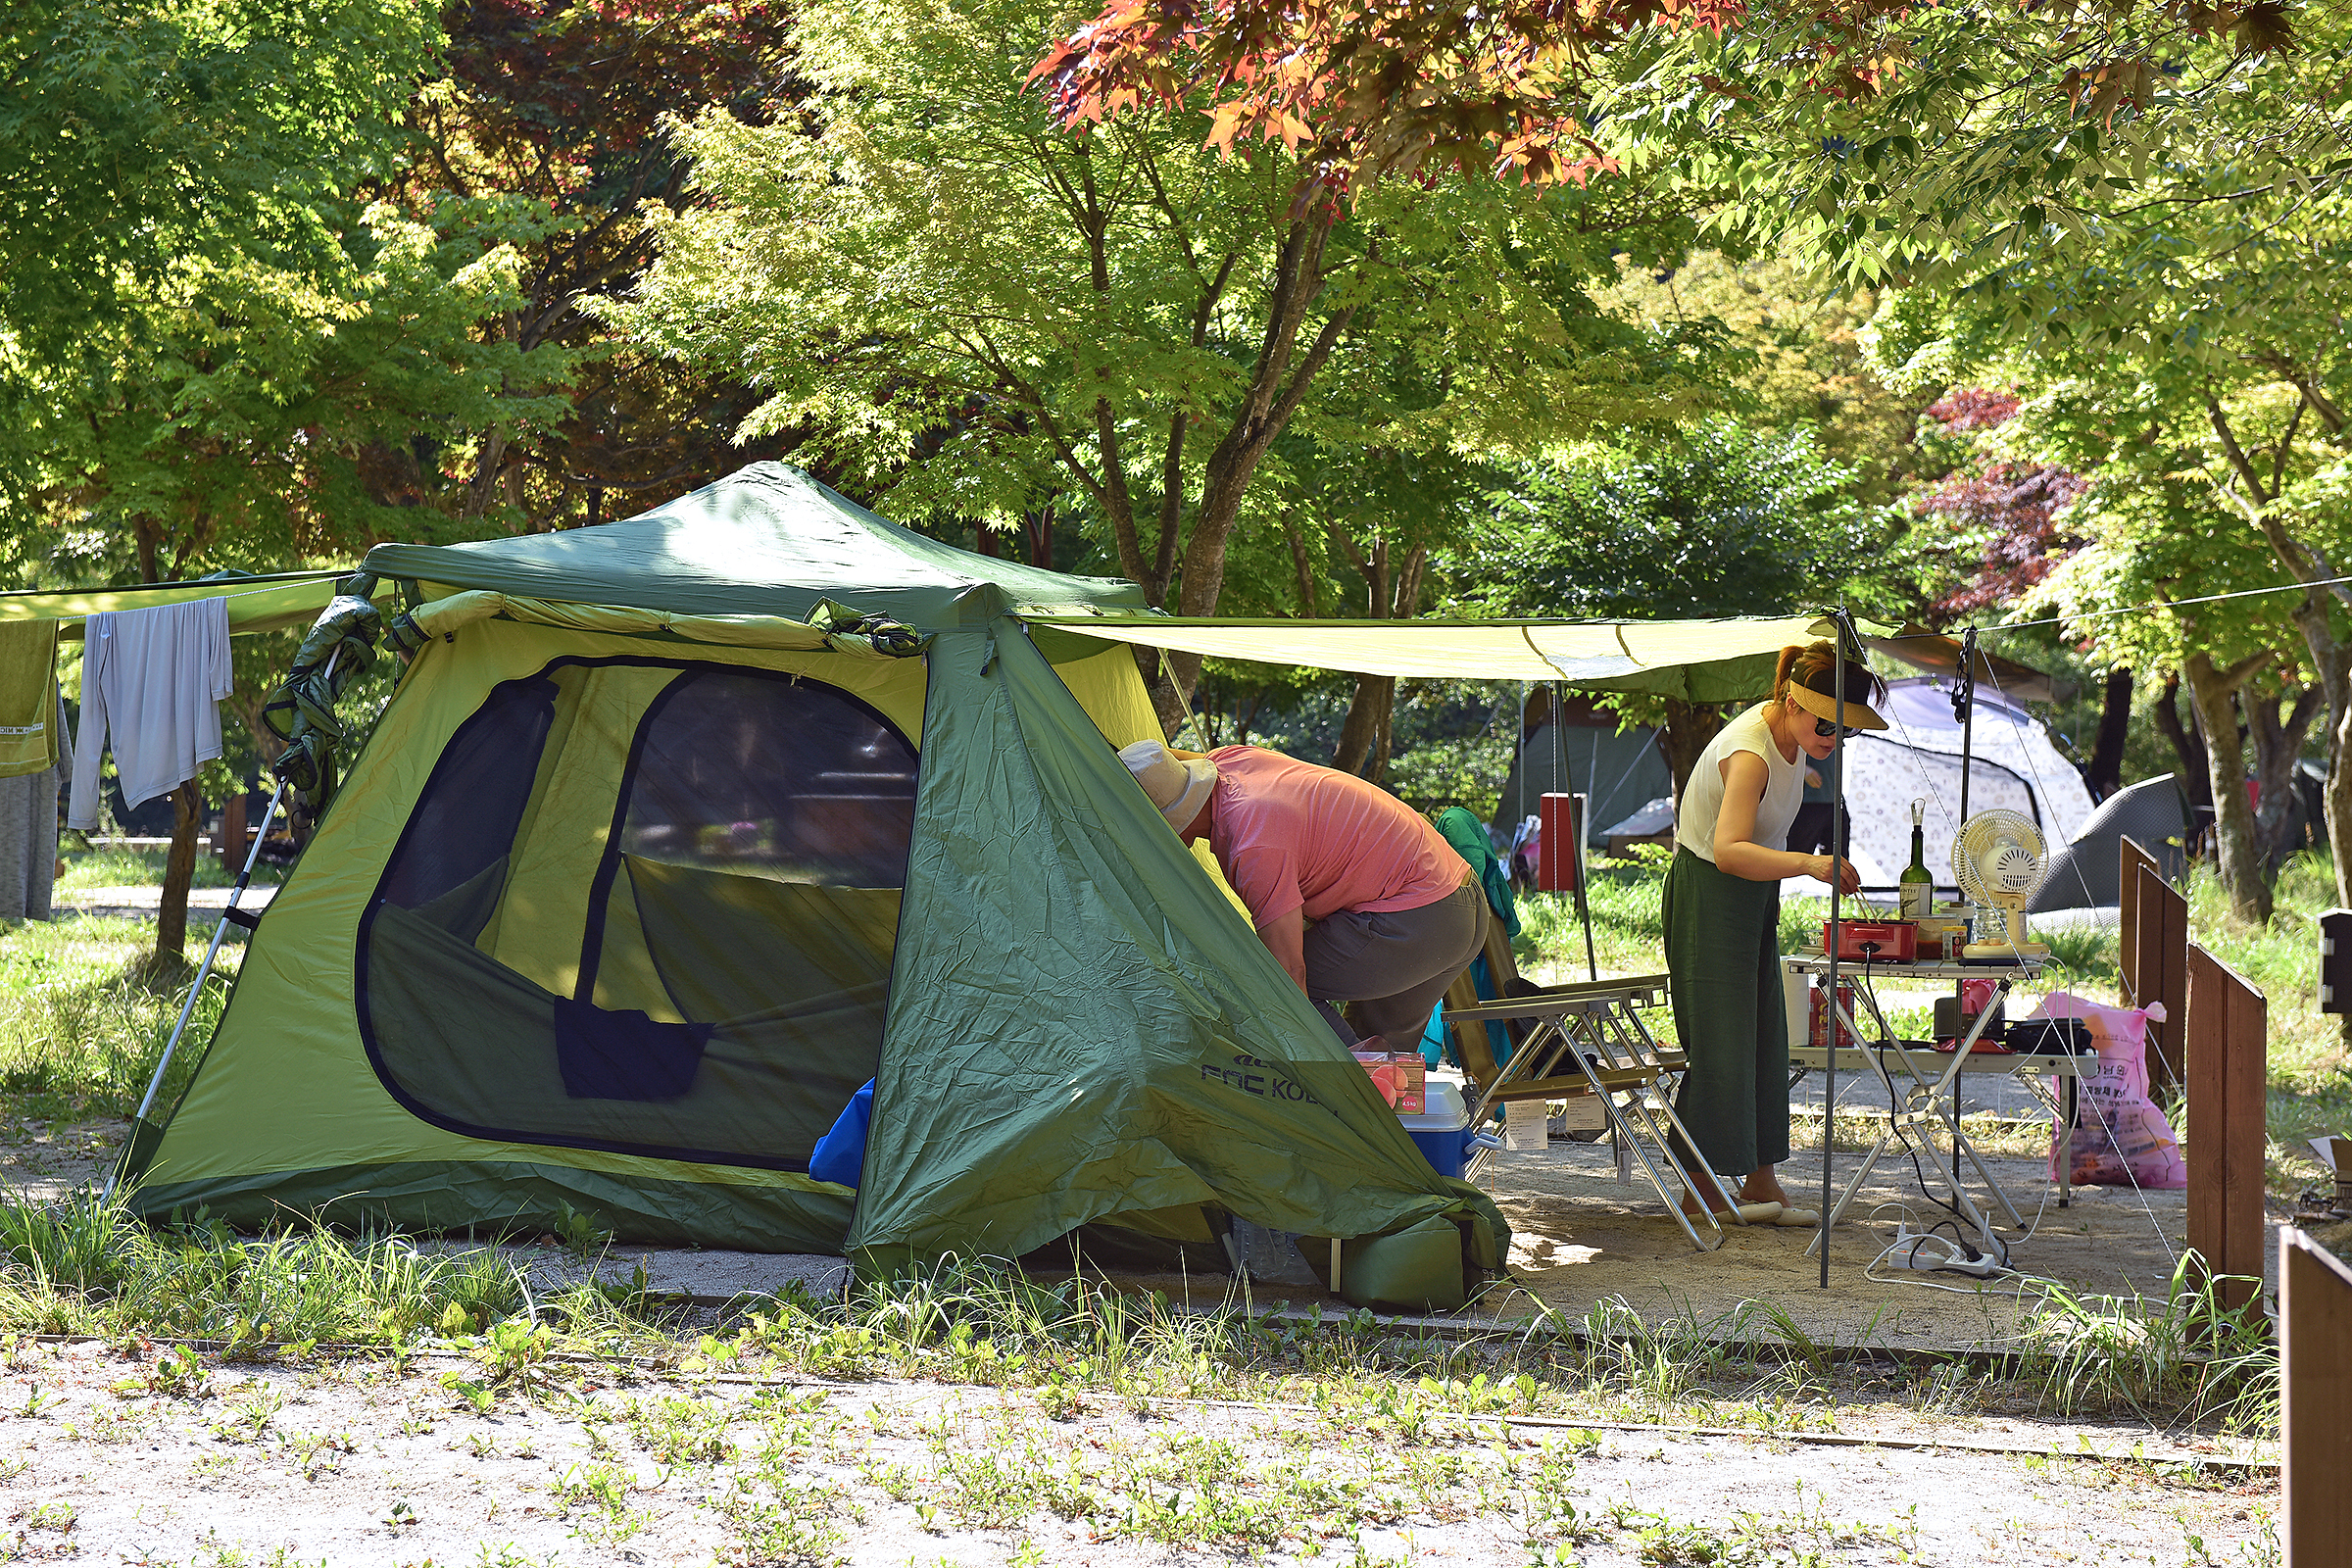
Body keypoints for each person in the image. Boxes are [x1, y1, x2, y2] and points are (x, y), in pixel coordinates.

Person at [1667, 641, 1886, 1220]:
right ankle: (1698, 1190)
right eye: (1826, 723)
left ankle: (1760, 1182)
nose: (1834, 737)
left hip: (1754, 897)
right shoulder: (1752, 754)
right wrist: (1810, 864)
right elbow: (1728, 850)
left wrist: (1799, 868)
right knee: (1720, 1044)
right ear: (1792, 701)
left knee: (1764, 1036)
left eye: (1845, 728)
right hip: (1710, 895)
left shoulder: (1794, 745)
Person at [1121, 740, 1485, 1052]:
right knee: (1375, 1044)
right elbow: (1159, 761)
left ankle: (1356, 1088)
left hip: (1420, 918)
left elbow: (1288, 972)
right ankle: (1379, 1101)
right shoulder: (1230, 760)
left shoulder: (1254, 845)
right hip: (1459, 895)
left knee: (1267, 980)